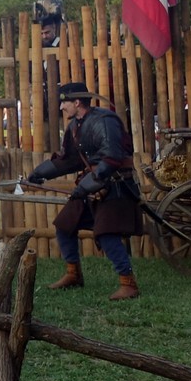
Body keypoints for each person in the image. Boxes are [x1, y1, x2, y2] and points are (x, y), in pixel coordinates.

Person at [24, 83, 143, 300]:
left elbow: (112, 158)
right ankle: (74, 274)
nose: (62, 107)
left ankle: (128, 284)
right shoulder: (75, 127)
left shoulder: (105, 121)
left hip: (116, 187)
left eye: (65, 103)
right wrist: (39, 173)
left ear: (77, 102)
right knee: (65, 225)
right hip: (93, 186)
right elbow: (68, 160)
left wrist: (85, 186)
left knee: (106, 233)